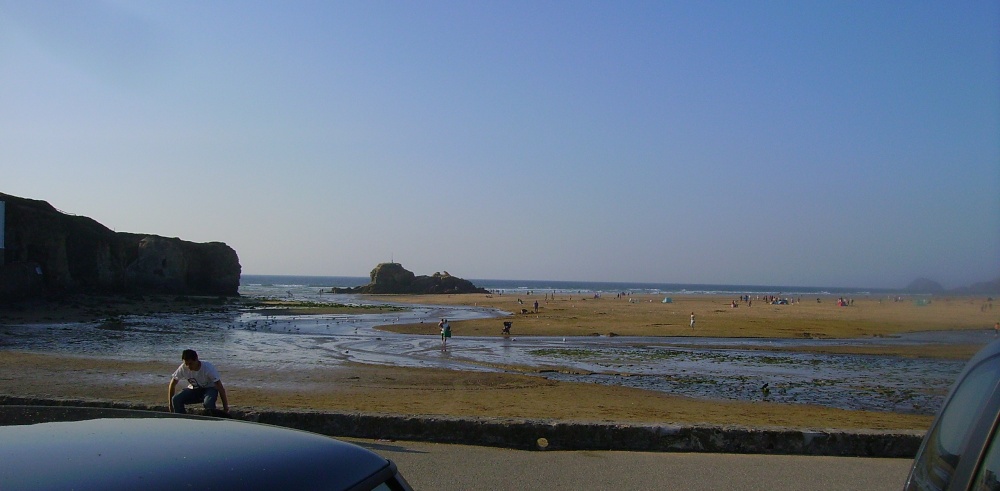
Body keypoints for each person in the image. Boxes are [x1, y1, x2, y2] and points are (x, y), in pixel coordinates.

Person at [168, 349, 229, 415]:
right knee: (176, 399)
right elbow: (173, 383)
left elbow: (220, 387)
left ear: (196, 359)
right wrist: (170, 405)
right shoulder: (183, 368)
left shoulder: (207, 368)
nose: (188, 367)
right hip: (194, 389)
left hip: (210, 389)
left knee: (208, 403)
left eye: (191, 363)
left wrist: (225, 407)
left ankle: (210, 420)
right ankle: (181, 419)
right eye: (186, 364)